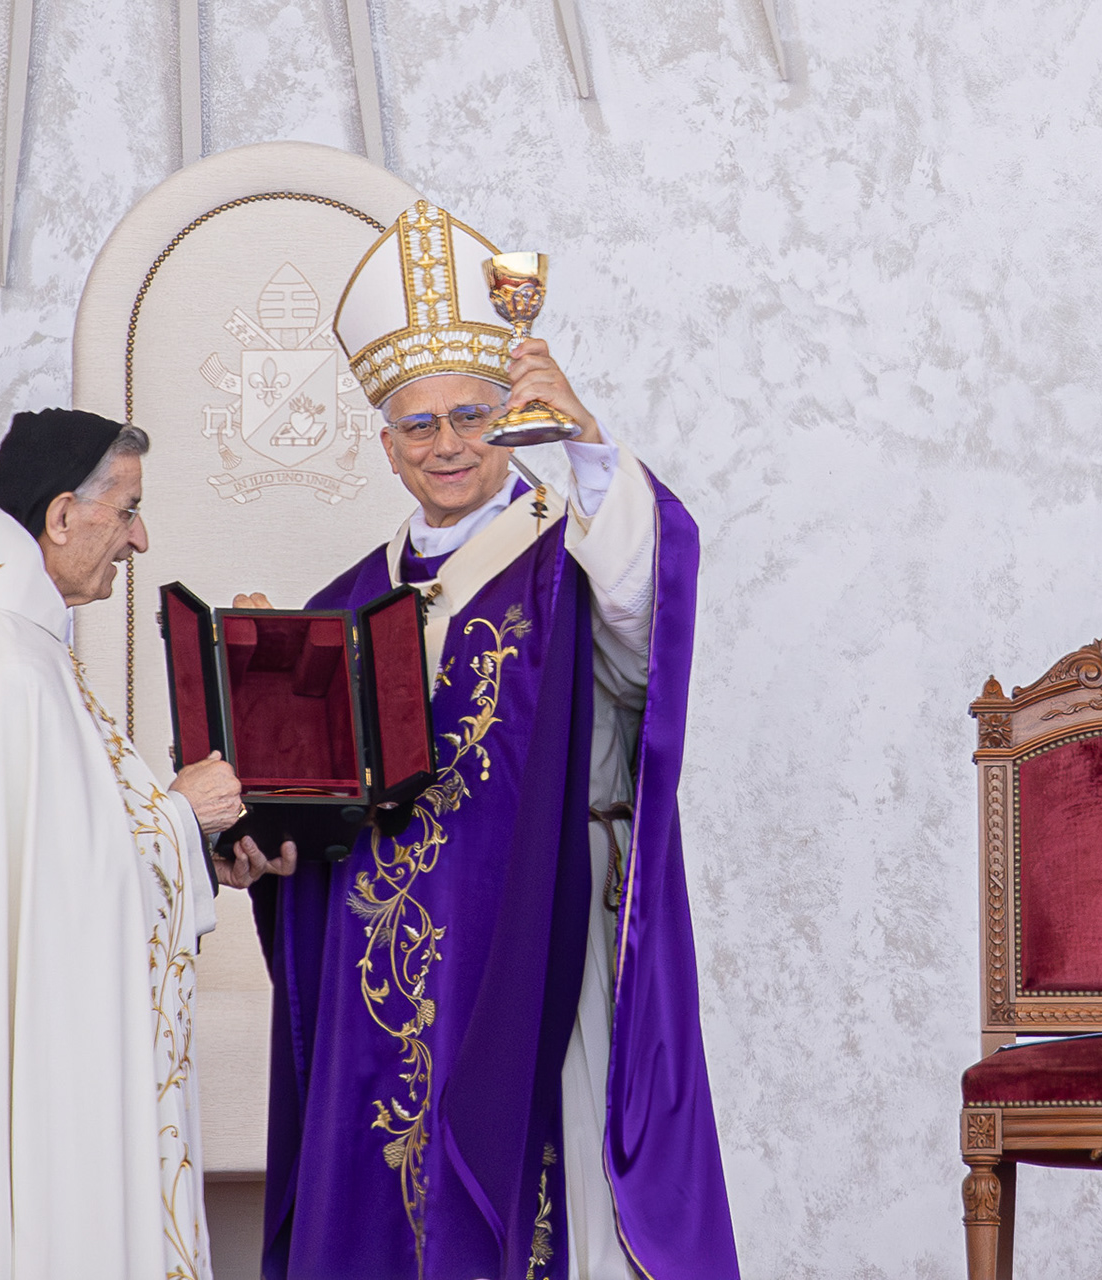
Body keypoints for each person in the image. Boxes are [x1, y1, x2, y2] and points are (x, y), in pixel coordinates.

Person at [240, 200, 739, 1279]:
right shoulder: (345, 603)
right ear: (385, 445)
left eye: (474, 415)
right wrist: (260, 837)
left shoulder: (568, 553)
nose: (451, 445)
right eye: (421, 426)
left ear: (510, 412)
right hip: (383, 971)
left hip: (532, 944)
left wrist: (591, 445)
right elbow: (305, 819)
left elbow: (649, 640)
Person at [0, 409, 293, 1280]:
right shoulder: (4, 664)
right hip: (37, 1065)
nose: (139, 538)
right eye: (127, 511)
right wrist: (178, 814)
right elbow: (61, 900)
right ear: (61, 515)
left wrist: (196, 844)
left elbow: (48, 854)